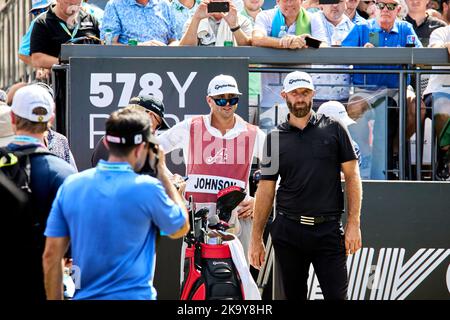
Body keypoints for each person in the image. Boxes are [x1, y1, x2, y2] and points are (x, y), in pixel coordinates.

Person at [43, 107, 189, 300]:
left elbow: (52, 256)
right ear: (143, 147)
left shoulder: (72, 185)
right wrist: (161, 170)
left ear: (106, 141)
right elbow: (180, 227)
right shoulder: (148, 189)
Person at [248, 71, 362, 300]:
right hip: (288, 231)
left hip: (328, 230)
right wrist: (256, 237)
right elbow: (266, 189)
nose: (300, 98)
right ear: (284, 95)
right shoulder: (274, 137)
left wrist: (353, 224)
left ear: (313, 94)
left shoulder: (335, 128)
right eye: (295, 93)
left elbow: (352, 176)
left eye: (305, 92)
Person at [157, 74, 266, 258]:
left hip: (237, 222)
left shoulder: (252, 132)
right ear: (209, 100)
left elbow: (282, 167)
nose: (227, 104)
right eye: (221, 99)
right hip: (197, 221)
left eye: (232, 98)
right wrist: (171, 180)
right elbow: (153, 149)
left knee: (238, 283)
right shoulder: (191, 126)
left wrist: (259, 200)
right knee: (195, 282)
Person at [2, 84, 76, 301]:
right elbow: (70, 249)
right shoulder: (65, 174)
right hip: (43, 285)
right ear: (50, 120)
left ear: (13, 119)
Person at [342, 0, 423, 179]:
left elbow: (422, 58)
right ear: (374, 8)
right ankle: (363, 155)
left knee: (419, 106)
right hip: (367, 89)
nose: (386, 9)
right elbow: (342, 54)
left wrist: (402, 53)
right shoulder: (362, 28)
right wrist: (361, 53)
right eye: (381, 5)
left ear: (399, 10)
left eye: (391, 6)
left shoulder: (406, 29)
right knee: (354, 106)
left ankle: (395, 149)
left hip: (398, 88)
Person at [91, 95, 170, 166]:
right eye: (158, 124)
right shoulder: (140, 145)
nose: (155, 131)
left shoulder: (109, 139)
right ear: (150, 116)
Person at [309, 0, 354, 109]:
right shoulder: (309, 21)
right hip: (314, 96)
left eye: (339, 1)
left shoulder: (353, 27)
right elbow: (302, 41)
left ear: (346, 3)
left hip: (344, 98)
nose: (334, 5)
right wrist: (312, 43)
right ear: (321, 4)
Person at [30, 0, 100, 70]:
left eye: (77, 4)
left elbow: (103, 50)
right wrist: (67, 64)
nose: (73, 7)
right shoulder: (43, 22)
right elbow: (37, 59)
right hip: (59, 77)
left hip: (89, 76)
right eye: (68, 3)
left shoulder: (91, 20)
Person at [422, 26, 450, 180]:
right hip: (437, 93)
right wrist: (447, 46)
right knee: (445, 104)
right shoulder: (441, 32)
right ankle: (445, 158)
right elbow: (435, 49)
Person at [100, 0, 178, 46]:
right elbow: (108, 44)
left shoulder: (165, 5)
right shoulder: (115, 5)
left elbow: (173, 40)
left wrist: (165, 50)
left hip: (164, 66)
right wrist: (140, 48)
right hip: (129, 68)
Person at [179, 0, 252, 46]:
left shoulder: (243, 21)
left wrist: (234, 26)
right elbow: (184, 52)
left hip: (232, 68)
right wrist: (196, 19)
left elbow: (250, 50)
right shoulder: (193, 20)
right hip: (201, 67)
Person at [317, 100, 361, 166]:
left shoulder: (353, 147)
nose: (343, 129)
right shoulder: (307, 146)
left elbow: (350, 174)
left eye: (343, 126)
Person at [18, 0, 52, 69]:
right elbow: (22, 53)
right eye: (36, 12)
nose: (40, 14)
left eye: (44, 10)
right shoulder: (38, 21)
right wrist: (42, 68)